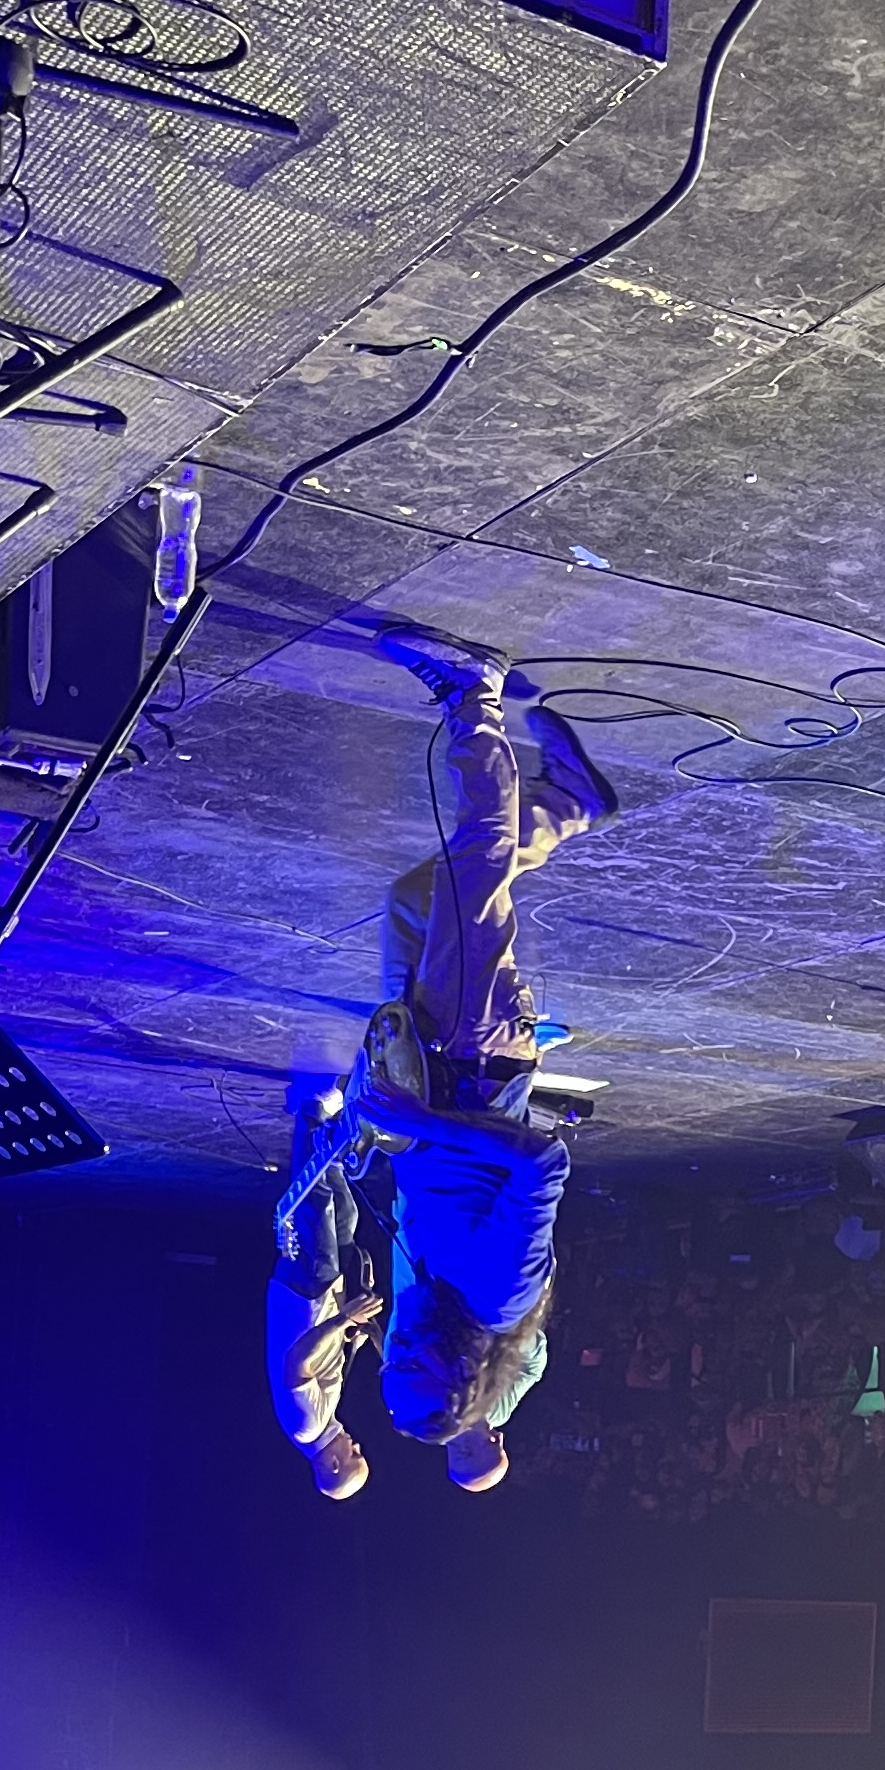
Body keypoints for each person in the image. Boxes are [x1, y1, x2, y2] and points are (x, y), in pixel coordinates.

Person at [266, 624, 610, 1497]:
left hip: (424, 1066)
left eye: (388, 1363)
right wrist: (423, 1122)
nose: (393, 1343)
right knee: (471, 869)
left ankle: (573, 804)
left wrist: (391, 1137)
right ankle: (473, 694)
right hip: (477, 1053)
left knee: (417, 899)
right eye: (411, 1358)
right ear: (458, 1369)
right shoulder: (494, 1297)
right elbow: (542, 1164)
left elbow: (441, 1187)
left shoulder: (438, 1307)